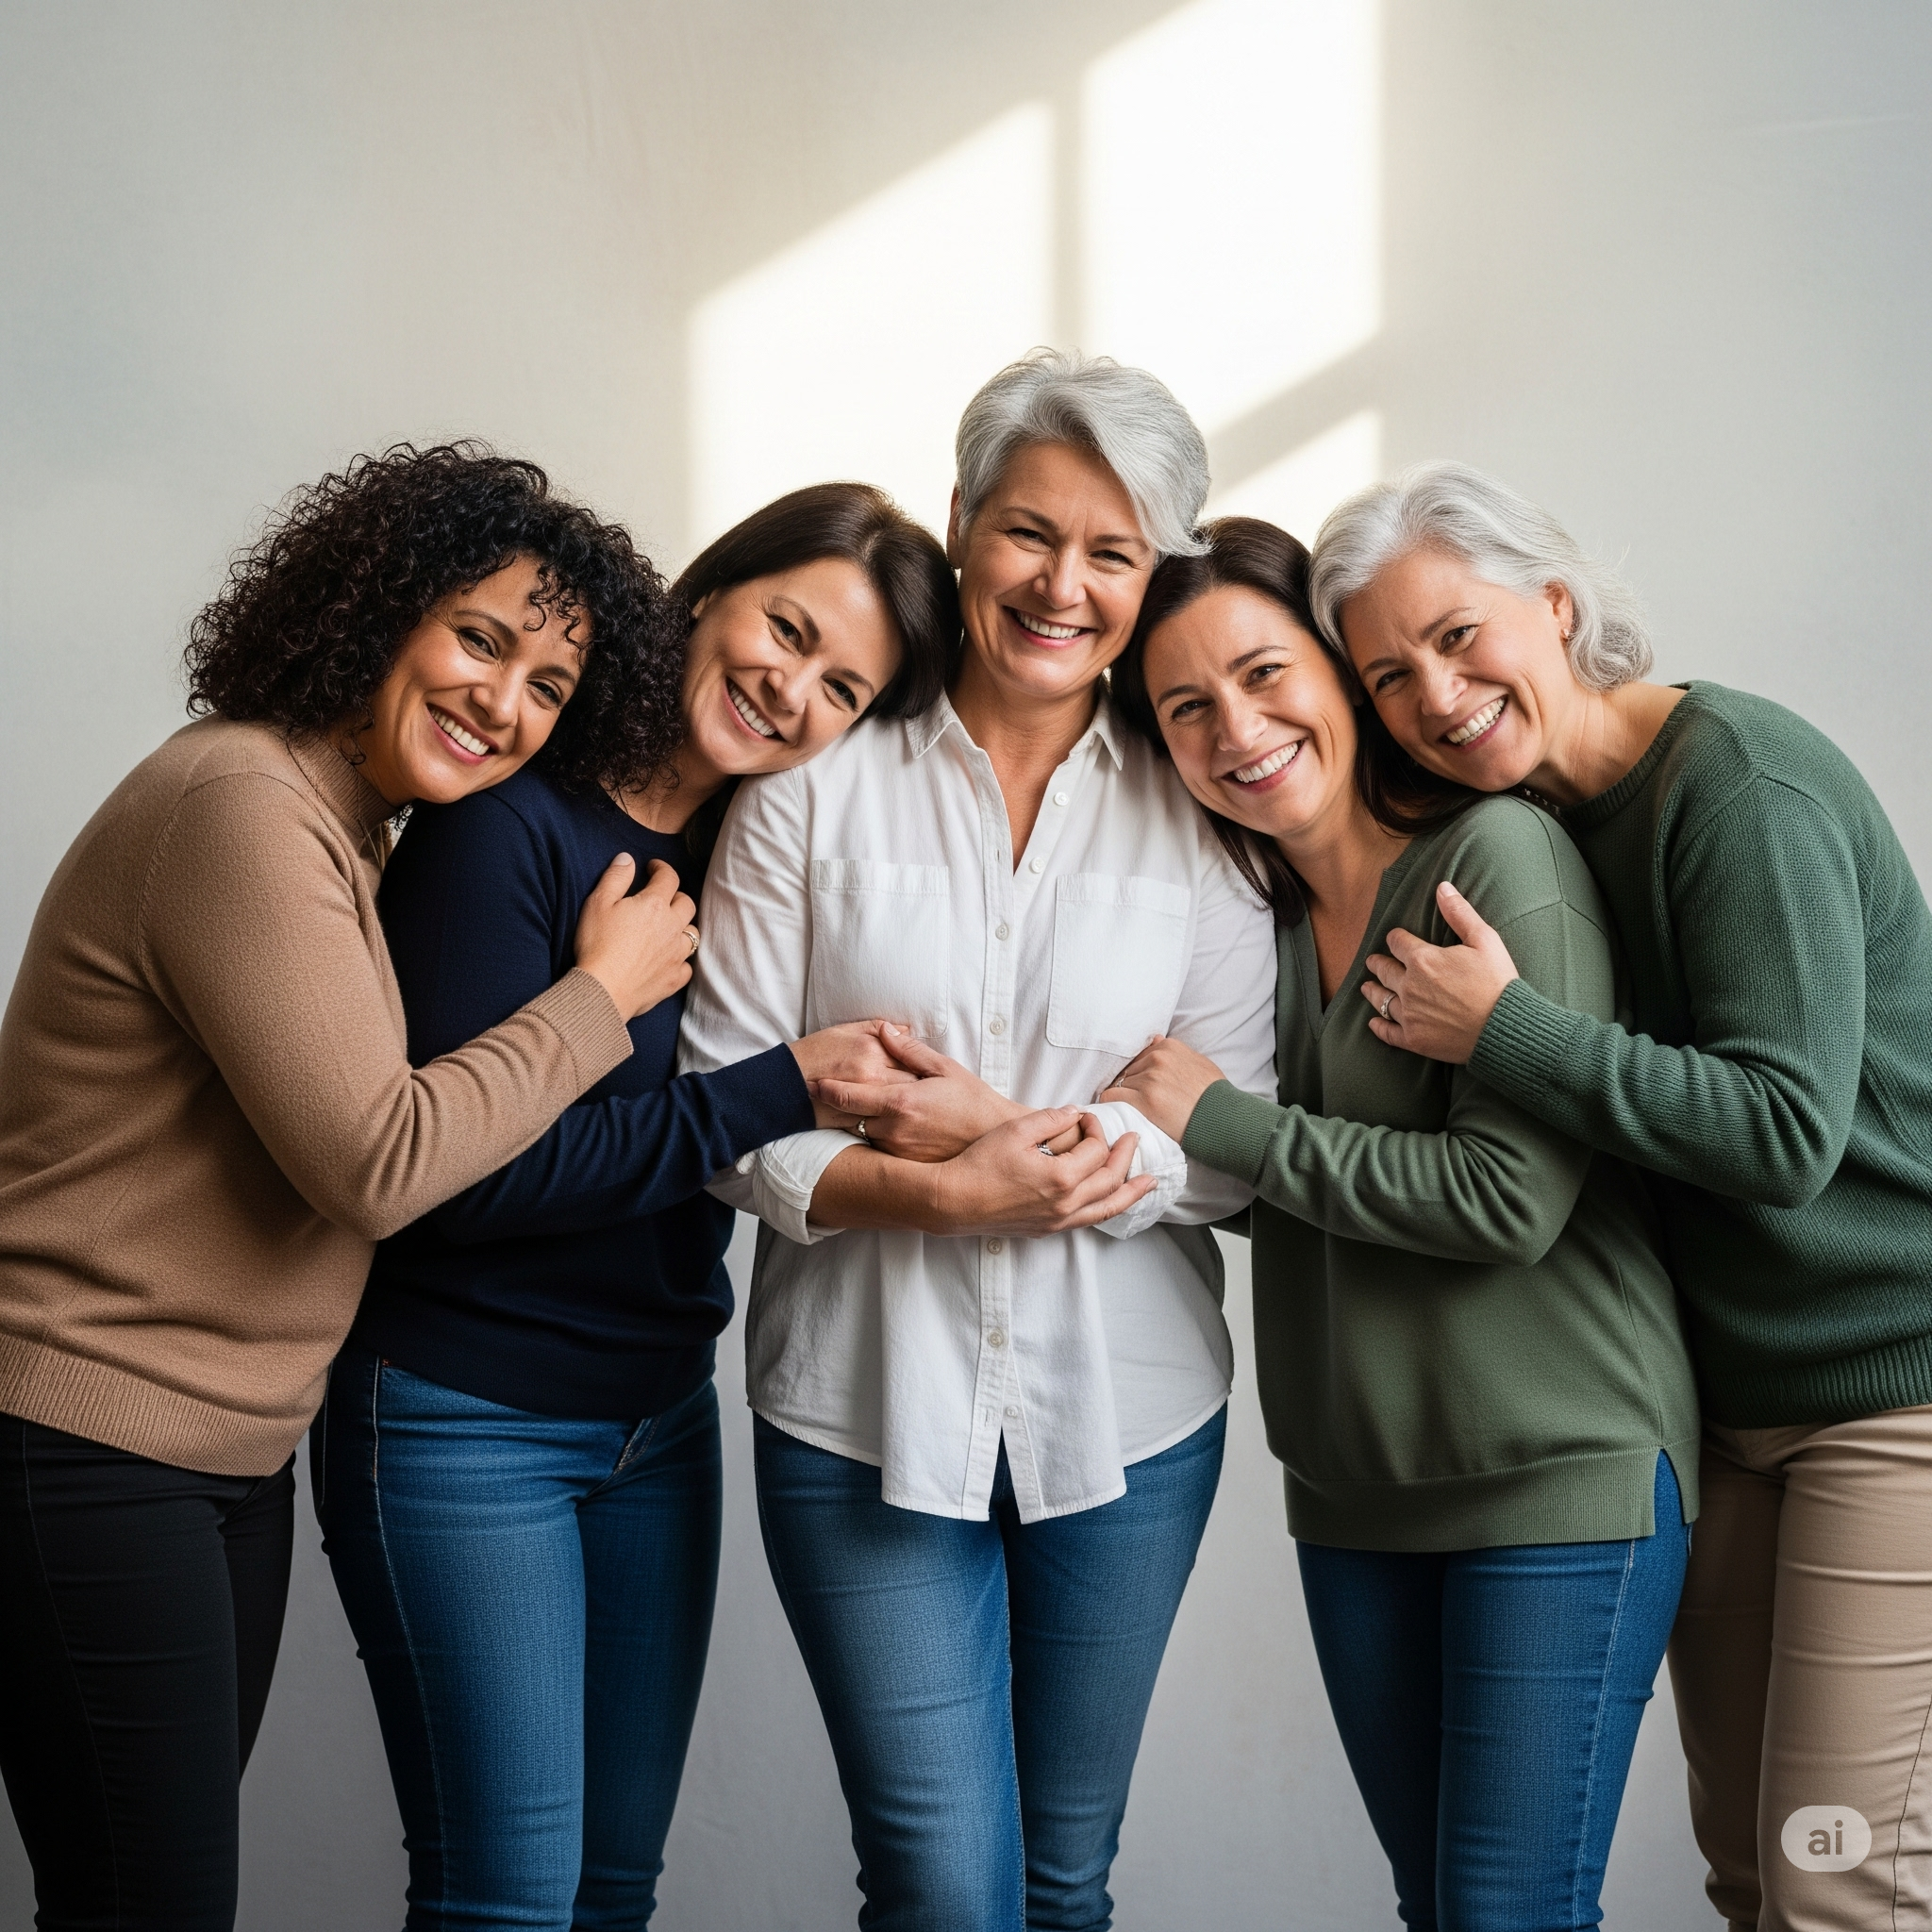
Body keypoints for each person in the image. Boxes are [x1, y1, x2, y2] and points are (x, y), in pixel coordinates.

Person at [0, 443, 699, 1932]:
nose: (503, 704)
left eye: (548, 687)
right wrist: (602, 995)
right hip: (81, 1436)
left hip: (211, 1450)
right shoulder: (242, 804)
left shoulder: (345, 822)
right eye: (480, 638)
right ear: (377, 607)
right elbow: (377, 1161)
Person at [679, 349, 1278, 1932]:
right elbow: (732, 1118)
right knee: (946, 1891)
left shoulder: (1201, 801)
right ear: (960, 522)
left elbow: (1225, 1145)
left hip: (1133, 1427)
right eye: (1029, 533)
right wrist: (955, 1194)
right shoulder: (818, 781)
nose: (1062, 586)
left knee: (1066, 1884)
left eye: (1112, 553)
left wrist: (1000, 1139)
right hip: (858, 1408)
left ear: (1155, 573)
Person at [317, 482, 961, 1931]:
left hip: (661, 1420)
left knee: (611, 1893)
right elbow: (453, 1187)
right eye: (784, 629)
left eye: (841, 687)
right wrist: (781, 1085)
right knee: (510, 1902)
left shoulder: (753, 860)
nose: (790, 690)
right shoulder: (509, 827)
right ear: (707, 594)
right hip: (459, 1417)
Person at [1311, 462, 1932, 1932]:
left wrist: (1503, 1030)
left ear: (1557, 602)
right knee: (1746, 1875)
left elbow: (1784, 1133)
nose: (1437, 697)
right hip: (1724, 1406)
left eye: (1459, 637)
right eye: (1390, 676)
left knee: (1839, 1878)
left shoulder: (1740, 784)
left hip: (1889, 1397)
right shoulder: (1541, 826)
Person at [1103, 515, 1700, 1930]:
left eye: (1263, 673)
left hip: (1560, 1478)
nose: (1236, 729)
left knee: (1506, 1914)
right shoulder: (1243, 929)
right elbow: (1293, 1194)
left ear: (1336, 665)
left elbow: (1508, 1201)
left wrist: (1224, 1124)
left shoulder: (1498, 856)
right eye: (1187, 709)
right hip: (1356, 1497)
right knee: (1441, 1909)